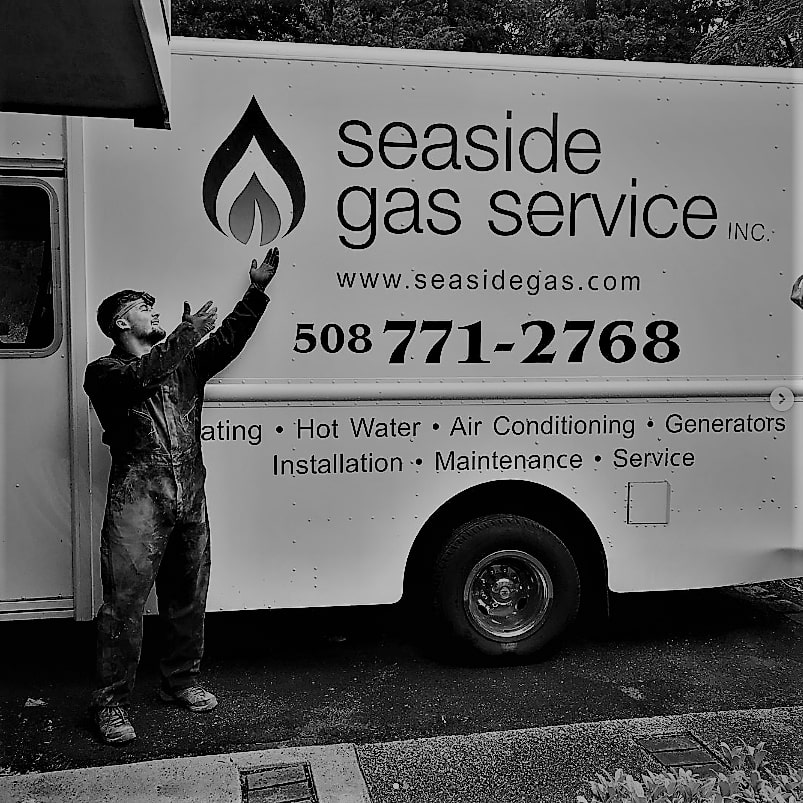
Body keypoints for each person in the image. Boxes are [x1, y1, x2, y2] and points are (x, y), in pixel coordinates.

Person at [84, 248, 280, 744]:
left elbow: (229, 340)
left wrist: (255, 291)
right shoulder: (104, 372)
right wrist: (186, 332)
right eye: (144, 307)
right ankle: (110, 704)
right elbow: (139, 377)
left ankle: (179, 683)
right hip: (137, 501)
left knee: (188, 598)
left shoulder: (183, 366)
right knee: (123, 607)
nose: (155, 311)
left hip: (188, 497)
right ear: (122, 322)